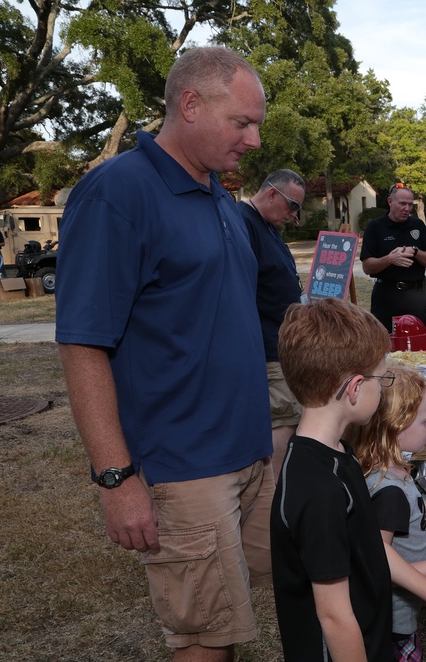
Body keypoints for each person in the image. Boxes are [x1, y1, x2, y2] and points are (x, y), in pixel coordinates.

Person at [55, 47, 274, 661]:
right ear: (191, 105)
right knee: (206, 637)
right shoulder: (116, 193)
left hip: (248, 452)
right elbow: (82, 343)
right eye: (243, 123)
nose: (254, 140)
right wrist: (117, 478)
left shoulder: (219, 197)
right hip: (184, 465)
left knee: (238, 610)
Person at [271, 298, 426, 661]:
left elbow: (372, 547)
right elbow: (334, 618)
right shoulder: (318, 489)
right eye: (382, 378)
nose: (384, 387)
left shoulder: (338, 454)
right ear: (355, 388)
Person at [347, 366, 426, 660]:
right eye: (425, 421)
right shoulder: (391, 494)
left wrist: (419, 511)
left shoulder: (383, 471)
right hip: (391, 622)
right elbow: (378, 564)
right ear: (396, 427)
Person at [239, 168, 306, 477]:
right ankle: (274, 495)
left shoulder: (266, 225)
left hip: (281, 345)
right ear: (271, 194)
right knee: (282, 418)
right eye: (292, 206)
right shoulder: (244, 223)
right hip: (266, 348)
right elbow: (241, 291)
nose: (294, 216)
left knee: (290, 416)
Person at [361, 184, 426, 331]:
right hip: (385, 296)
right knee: (382, 342)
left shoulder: (417, 225)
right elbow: (367, 267)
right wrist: (389, 259)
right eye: (402, 204)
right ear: (390, 201)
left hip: (414, 296)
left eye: (410, 204)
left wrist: (415, 251)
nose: (407, 209)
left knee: (420, 343)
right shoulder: (375, 227)